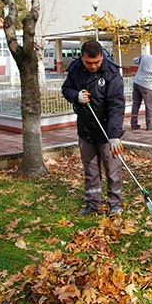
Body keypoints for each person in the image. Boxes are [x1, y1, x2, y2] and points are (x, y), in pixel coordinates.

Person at [61, 40, 125, 217]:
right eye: (89, 63)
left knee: (113, 170)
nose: (93, 66)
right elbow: (66, 89)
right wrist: (76, 96)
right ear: (82, 58)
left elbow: (117, 105)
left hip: (107, 132)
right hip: (86, 129)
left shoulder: (111, 73)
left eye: (97, 62)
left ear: (102, 56)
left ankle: (115, 204)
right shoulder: (75, 69)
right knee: (91, 170)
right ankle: (93, 203)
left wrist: (114, 134)